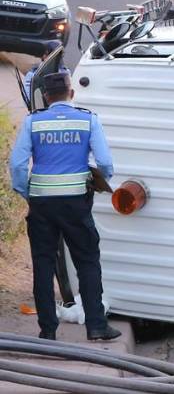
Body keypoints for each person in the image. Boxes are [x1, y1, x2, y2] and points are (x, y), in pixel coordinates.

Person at [8, 72, 120, 342]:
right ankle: (96, 326)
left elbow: (18, 165)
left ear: (46, 97)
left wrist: (27, 192)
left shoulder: (33, 122)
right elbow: (105, 162)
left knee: (43, 264)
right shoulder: (88, 119)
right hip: (75, 204)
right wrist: (101, 179)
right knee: (87, 261)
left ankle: (48, 330)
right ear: (72, 93)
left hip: (42, 203)